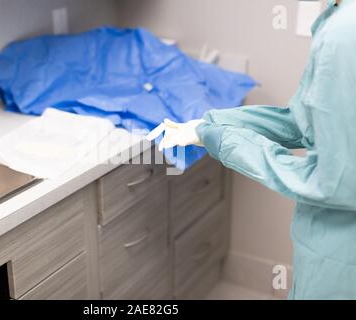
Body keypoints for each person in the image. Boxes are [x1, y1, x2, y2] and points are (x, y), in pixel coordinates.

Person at [148, 0, 356, 299]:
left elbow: (335, 182)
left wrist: (221, 139)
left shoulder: (344, 34)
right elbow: (301, 122)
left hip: (342, 262)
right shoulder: (338, 20)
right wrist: (209, 124)